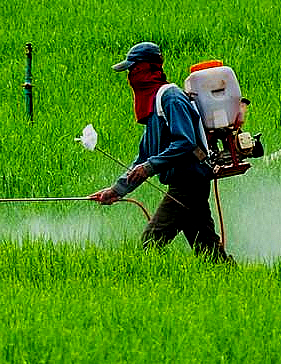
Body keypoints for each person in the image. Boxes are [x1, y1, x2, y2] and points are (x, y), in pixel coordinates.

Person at [89, 42, 231, 262]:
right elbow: (144, 157)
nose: (130, 77)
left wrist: (150, 167)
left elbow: (185, 142)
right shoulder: (154, 106)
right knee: (207, 248)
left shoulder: (170, 98)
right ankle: (229, 278)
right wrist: (116, 190)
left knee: (151, 243)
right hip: (185, 183)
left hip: (189, 183)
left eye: (132, 70)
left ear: (145, 69)